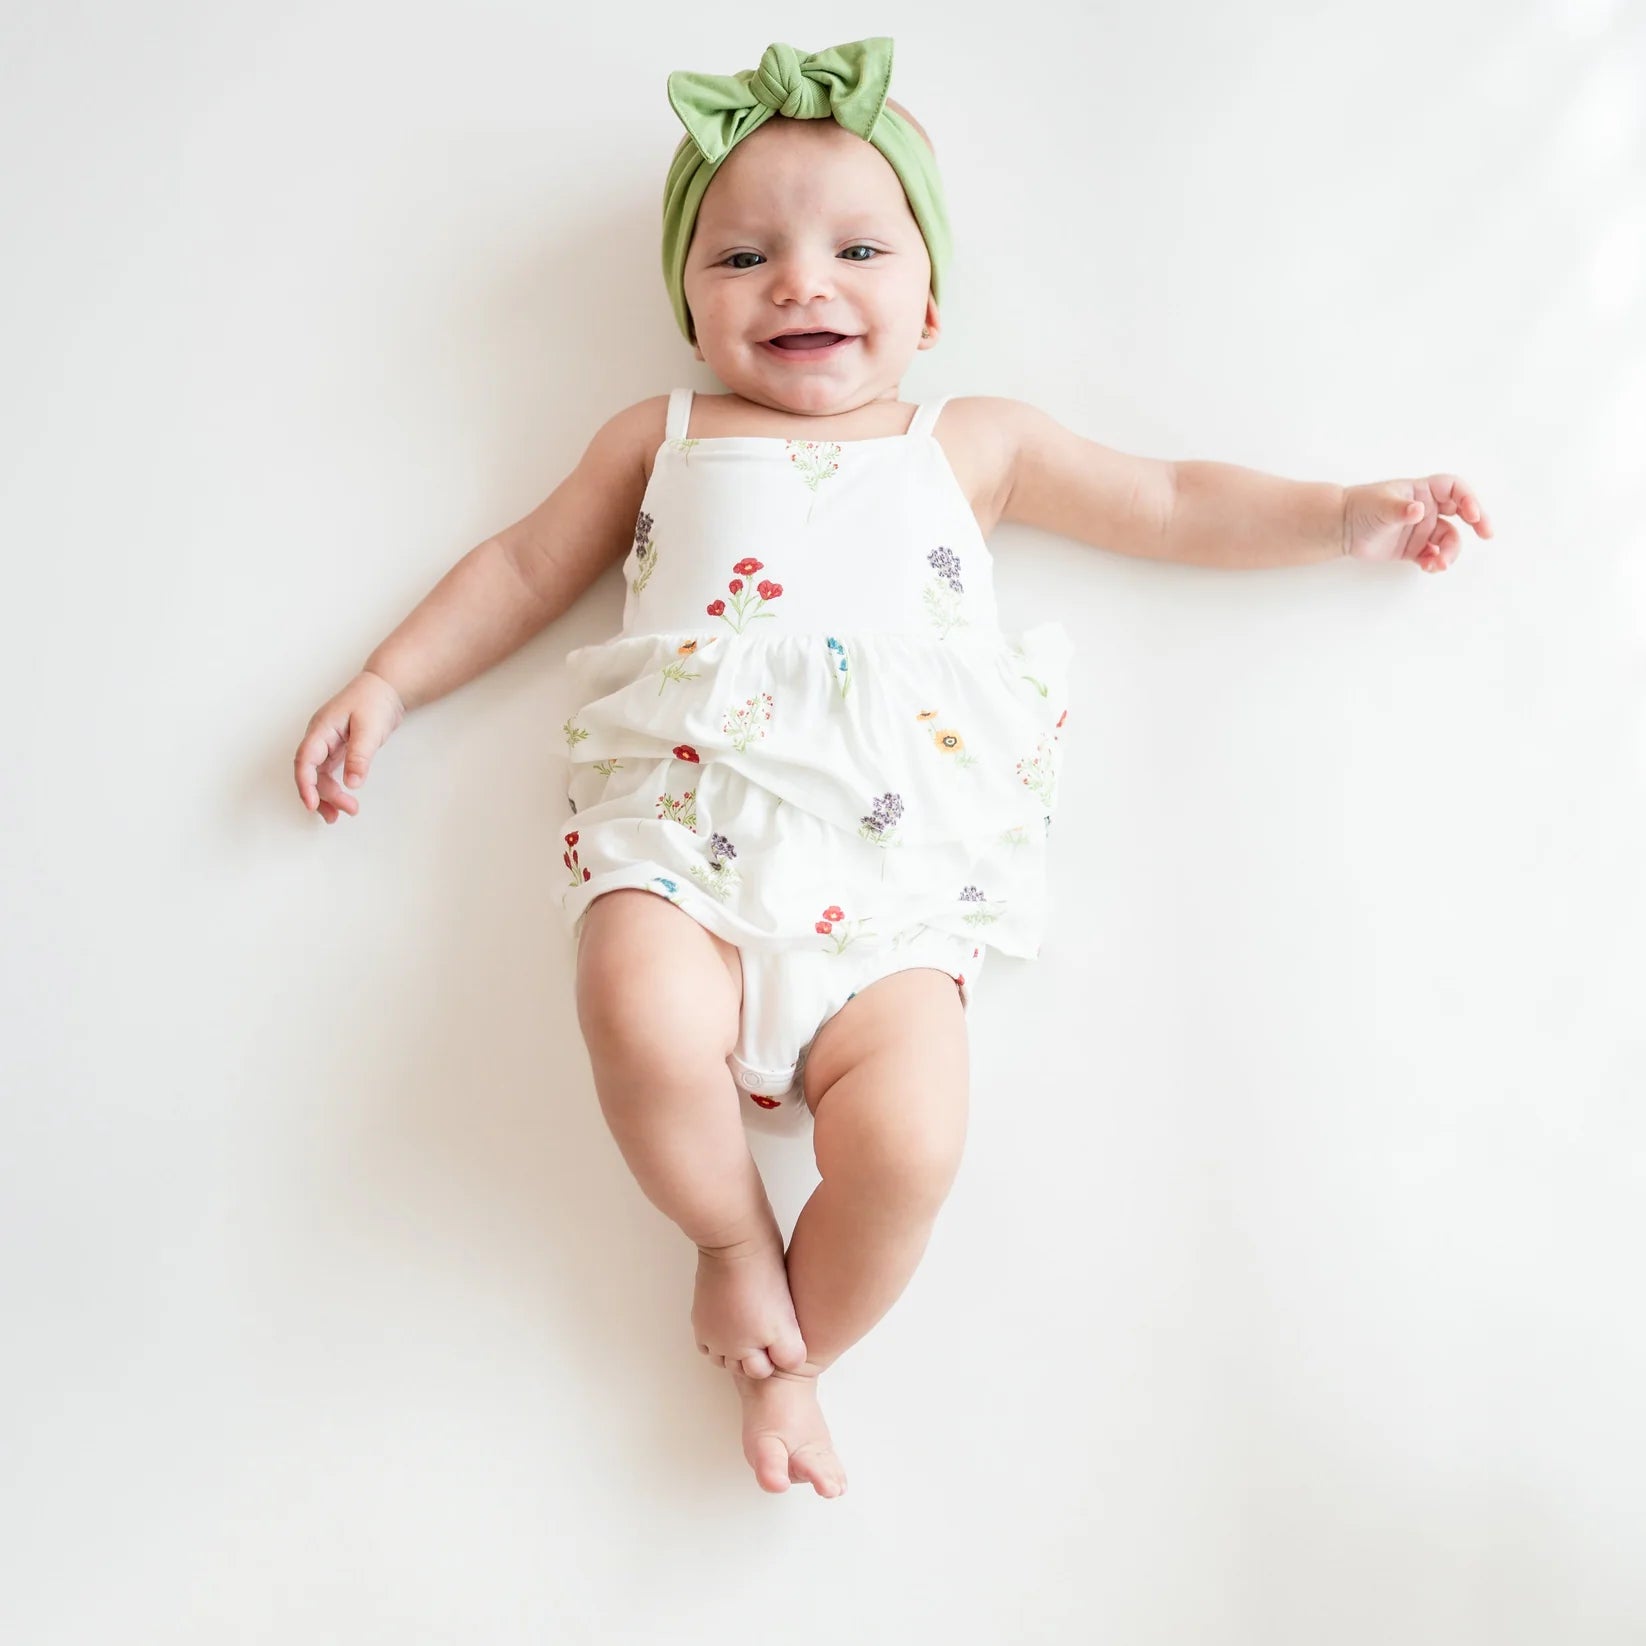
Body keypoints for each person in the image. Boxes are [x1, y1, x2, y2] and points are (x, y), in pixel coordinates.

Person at [292, 37, 1494, 1501]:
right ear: (686, 302)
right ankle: (730, 1241)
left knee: (912, 1148)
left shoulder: (967, 444)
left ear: (930, 300)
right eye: (744, 256)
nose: (800, 283)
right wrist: (389, 679)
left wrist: (1342, 514)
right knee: (634, 1008)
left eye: (857, 249)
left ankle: (796, 1363)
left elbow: (1171, 499)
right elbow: (523, 566)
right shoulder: (658, 439)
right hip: (684, 850)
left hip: (896, 890)